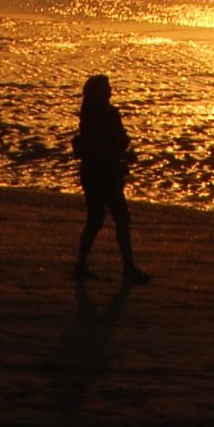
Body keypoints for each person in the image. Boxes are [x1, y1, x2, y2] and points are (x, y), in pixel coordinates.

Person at [73, 73, 147, 284]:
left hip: (95, 171)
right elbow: (114, 141)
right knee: (118, 218)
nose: (110, 91)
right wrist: (121, 150)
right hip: (104, 172)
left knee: (97, 219)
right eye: (106, 88)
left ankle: (82, 265)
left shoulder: (88, 115)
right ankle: (127, 267)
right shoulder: (105, 114)